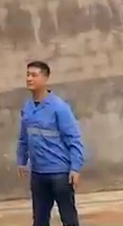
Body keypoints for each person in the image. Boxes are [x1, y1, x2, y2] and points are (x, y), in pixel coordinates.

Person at [17, 60, 86, 226]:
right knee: (39, 220)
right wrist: (21, 159)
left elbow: (74, 138)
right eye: (27, 75)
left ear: (45, 78)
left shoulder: (59, 108)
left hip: (60, 174)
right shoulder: (27, 107)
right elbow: (24, 136)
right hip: (38, 174)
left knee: (68, 218)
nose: (29, 79)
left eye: (34, 75)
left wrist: (75, 168)